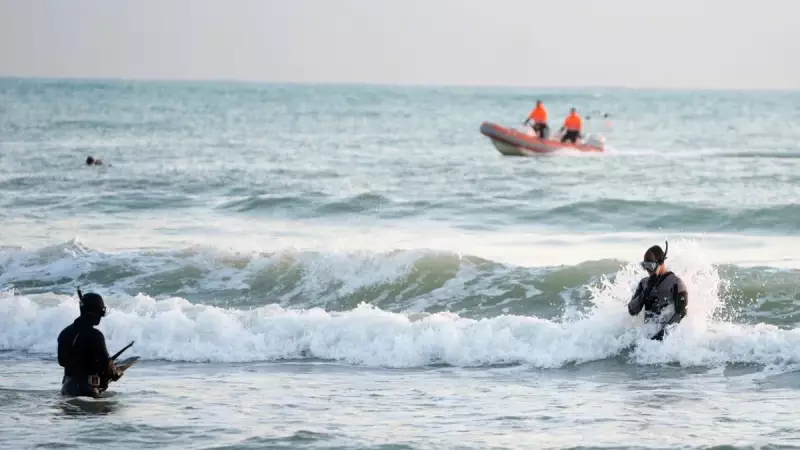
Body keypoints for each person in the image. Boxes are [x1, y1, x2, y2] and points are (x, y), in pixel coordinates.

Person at [57, 289, 122, 397]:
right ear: (96, 312)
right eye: (101, 312)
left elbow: (62, 362)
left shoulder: (64, 333)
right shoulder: (96, 336)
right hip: (88, 392)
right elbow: (105, 367)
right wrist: (116, 372)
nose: (101, 316)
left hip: (67, 391)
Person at [627, 242, 688, 341]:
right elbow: (632, 311)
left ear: (660, 262)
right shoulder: (644, 283)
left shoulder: (676, 283)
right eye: (644, 265)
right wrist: (647, 290)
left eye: (650, 266)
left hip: (666, 341)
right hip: (647, 340)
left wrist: (661, 336)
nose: (647, 269)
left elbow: (681, 313)